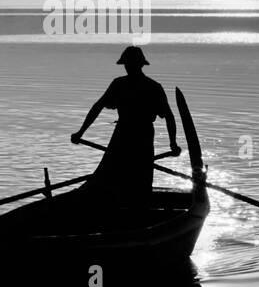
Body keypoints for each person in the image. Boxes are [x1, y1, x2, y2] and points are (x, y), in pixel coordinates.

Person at [70, 46, 181, 204]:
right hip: (125, 135)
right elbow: (98, 106)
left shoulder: (148, 87)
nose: (128, 67)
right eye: (126, 64)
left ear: (139, 65)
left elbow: (169, 117)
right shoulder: (125, 84)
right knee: (119, 179)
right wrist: (80, 132)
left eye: (129, 64)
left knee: (135, 182)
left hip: (138, 137)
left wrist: (173, 143)